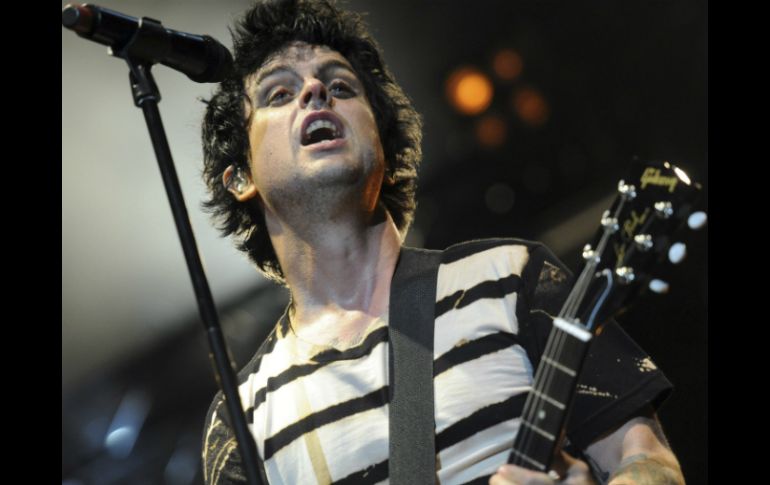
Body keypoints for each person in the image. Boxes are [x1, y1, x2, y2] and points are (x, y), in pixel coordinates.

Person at [199, 1, 685, 483]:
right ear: (240, 176)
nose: (315, 90)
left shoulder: (513, 277)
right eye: (279, 93)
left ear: (383, 143)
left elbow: (649, 462)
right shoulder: (243, 419)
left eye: (342, 86)